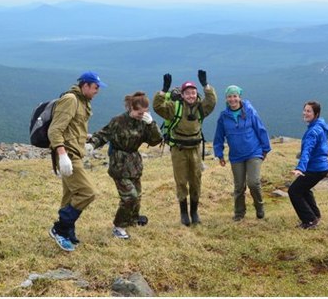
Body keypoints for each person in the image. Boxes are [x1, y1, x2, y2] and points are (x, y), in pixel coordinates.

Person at [87, 91, 163, 240]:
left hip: (134, 164)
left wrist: (151, 124)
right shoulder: (118, 121)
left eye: (144, 112)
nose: (141, 115)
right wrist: (91, 145)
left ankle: (133, 219)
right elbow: (103, 135)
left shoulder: (145, 122)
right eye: (139, 112)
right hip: (119, 164)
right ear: (131, 108)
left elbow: (155, 140)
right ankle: (119, 226)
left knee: (138, 195)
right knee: (130, 197)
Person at [47, 71, 106, 252]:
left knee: (70, 196)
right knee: (88, 192)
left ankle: (67, 233)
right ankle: (59, 228)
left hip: (75, 153)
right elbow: (55, 130)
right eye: (96, 87)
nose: (98, 91)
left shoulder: (82, 101)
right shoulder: (71, 99)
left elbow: (73, 128)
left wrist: (86, 140)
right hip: (69, 155)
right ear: (85, 85)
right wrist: (62, 155)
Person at [153, 70, 217, 226]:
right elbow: (157, 106)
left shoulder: (201, 108)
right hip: (179, 149)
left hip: (195, 148)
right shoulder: (174, 108)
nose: (191, 96)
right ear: (182, 95)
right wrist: (164, 90)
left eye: (193, 93)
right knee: (181, 181)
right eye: (187, 93)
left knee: (196, 180)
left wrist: (205, 85)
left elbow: (212, 101)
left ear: (196, 94)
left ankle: (194, 212)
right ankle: (183, 213)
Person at [213, 85, 271, 221]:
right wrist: (219, 154)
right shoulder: (223, 117)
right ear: (226, 99)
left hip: (254, 152)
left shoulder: (250, 112)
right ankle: (239, 213)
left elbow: (260, 129)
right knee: (239, 187)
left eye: (235, 96)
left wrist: (265, 149)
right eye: (229, 96)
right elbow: (218, 137)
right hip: (236, 156)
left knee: (253, 183)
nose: (232, 99)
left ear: (239, 97)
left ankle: (259, 207)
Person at [289, 101, 328, 229]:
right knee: (304, 189)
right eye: (305, 110)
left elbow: (307, 151)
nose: (305, 113)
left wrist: (300, 168)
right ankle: (315, 215)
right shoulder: (320, 125)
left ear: (316, 114)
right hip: (321, 166)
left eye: (309, 111)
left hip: (315, 168)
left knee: (294, 191)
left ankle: (310, 220)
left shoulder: (313, 131)